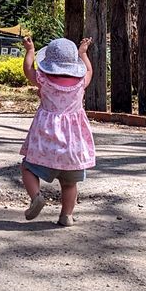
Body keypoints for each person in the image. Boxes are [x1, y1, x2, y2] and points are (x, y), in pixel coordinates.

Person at [18, 35, 96, 227]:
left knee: (28, 167)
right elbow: (89, 70)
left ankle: (36, 196)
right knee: (70, 183)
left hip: (46, 140)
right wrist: (83, 53)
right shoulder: (80, 83)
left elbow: (28, 70)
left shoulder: (44, 80)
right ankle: (66, 215)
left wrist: (29, 50)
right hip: (73, 145)